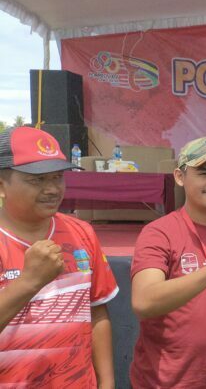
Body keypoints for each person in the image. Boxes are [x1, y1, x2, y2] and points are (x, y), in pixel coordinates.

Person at [0, 126, 118, 387]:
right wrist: (29, 282)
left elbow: (97, 313)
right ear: (1, 185)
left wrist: (107, 383)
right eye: (37, 179)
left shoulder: (82, 233)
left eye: (57, 177)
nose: (52, 189)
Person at [129, 136, 206, 388]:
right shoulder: (159, 232)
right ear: (180, 176)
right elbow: (144, 301)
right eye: (204, 173)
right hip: (165, 382)